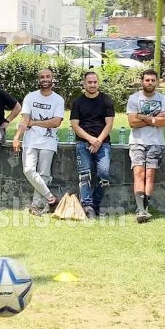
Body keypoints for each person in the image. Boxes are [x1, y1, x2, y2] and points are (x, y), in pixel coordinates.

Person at [12, 68, 64, 216]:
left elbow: (56, 122)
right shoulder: (30, 97)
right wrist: (17, 137)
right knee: (28, 170)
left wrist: (34, 123)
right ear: (39, 80)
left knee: (44, 174)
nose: (45, 79)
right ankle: (51, 198)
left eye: (48, 76)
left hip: (48, 141)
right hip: (30, 141)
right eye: (42, 77)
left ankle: (36, 205)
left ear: (52, 79)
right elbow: (24, 119)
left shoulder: (58, 100)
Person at [69, 71, 116, 219]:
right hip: (83, 143)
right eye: (89, 82)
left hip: (103, 143)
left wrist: (98, 141)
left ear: (98, 83)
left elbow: (109, 124)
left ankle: (95, 205)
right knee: (85, 175)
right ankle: (87, 206)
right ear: (84, 84)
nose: (92, 85)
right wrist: (90, 139)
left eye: (95, 82)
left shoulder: (106, 101)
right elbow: (75, 125)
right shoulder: (77, 102)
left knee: (104, 175)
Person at [126, 69, 165, 223]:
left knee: (150, 174)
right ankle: (140, 209)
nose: (149, 83)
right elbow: (132, 122)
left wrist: (143, 117)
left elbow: (164, 122)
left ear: (156, 82)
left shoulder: (163, 99)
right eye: (147, 80)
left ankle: (146, 208)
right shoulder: (134, 98)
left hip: (156, 142)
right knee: (139, 173)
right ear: (142, 81)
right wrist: (153, 119)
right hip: (137, 142)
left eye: (152, 80)